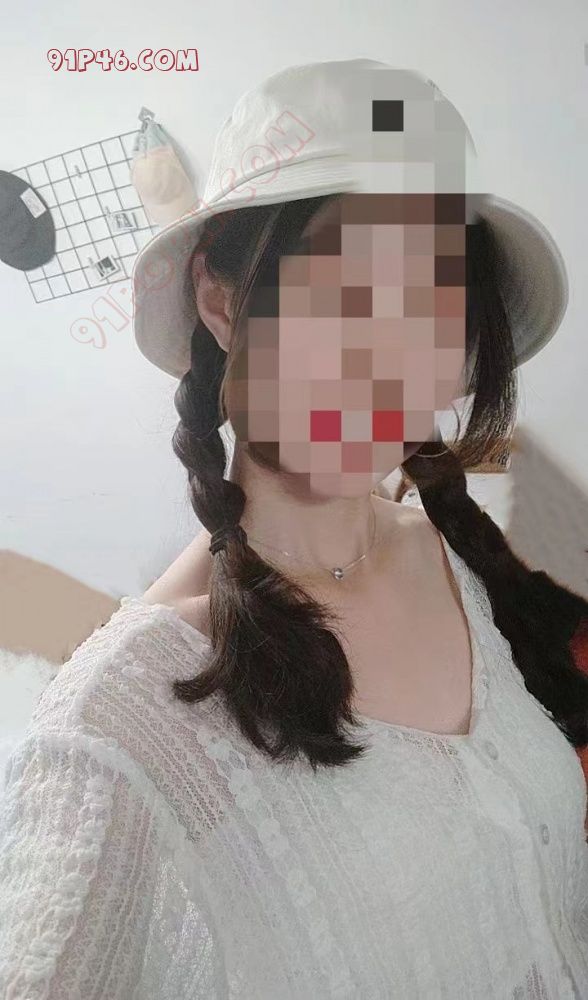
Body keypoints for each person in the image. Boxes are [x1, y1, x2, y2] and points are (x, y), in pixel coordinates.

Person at [1, 58, 588, 999]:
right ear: (222, 301)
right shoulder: (116, 724)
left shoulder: (448, 557)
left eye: (435, 300)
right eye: (343, 287)